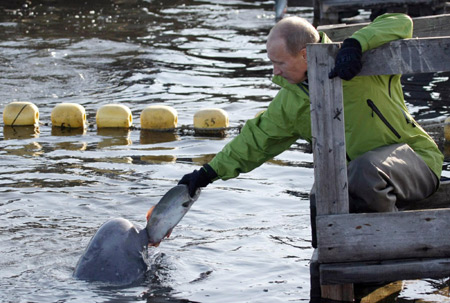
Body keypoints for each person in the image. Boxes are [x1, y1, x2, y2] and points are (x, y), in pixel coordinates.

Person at [178, 13, 443, 245]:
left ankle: (392, 244)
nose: (275, 71)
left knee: (364, 171)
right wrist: (206, 174)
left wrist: (355, 44)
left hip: (416, 161)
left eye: (280, 63)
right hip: (359, 180)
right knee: (321, 193)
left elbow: (400, 22)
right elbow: (255, 141)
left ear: (304, 54)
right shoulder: (291, 102)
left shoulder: (361, 60)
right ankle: (334, 260)